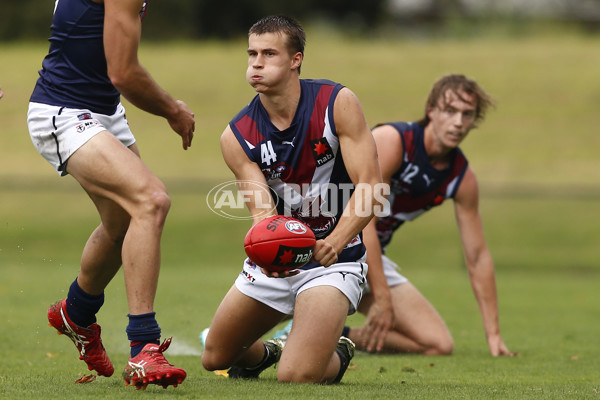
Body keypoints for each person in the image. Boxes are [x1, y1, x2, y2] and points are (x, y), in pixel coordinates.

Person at [274, 74, 514, 357]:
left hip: (366, 257)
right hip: (326, 242)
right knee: (252, 319)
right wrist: (383, 298)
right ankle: (238, 337)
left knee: (438, 344)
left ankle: (327, 336)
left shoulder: (461, 178)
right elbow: (366, 223)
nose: (458, 122)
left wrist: (494, 334)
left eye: (467, 114)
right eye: (450, 111)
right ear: (431, 110)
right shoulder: (392, 141)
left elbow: (477, 257)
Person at [200, 15, 384, 384]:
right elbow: (262, 213)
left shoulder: (337, 103)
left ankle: (338, 352)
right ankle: (267, 353)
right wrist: (270, 249)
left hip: (336, 261)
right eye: (252, 53)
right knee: (216, 356)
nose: (256, 63)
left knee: (297, 376)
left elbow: (371, 187)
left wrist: (334, 242)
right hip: (281, 260)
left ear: (295, 60)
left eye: (269, 53)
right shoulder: (237, 136)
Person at [27, 0, 194, 389]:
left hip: (103, 111)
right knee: (151, 201)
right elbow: (124, 72)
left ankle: (77, 313)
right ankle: (144, 348)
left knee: (121, 222)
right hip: (64, 110)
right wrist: (173, 110)